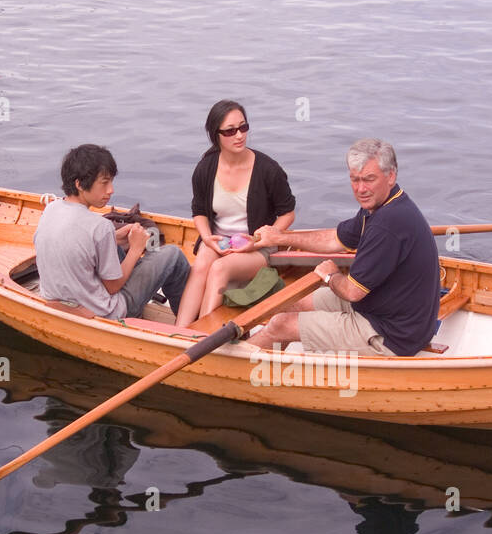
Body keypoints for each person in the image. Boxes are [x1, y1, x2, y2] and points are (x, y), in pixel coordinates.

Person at [246, 138, 440, 357]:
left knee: (280, 324)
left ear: (391, 176)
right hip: (379, 308)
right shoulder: (379, 206)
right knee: (291, 304)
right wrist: (279, 236)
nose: (361, 189)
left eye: (369, 179)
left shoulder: (387, 225)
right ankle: (269, 365)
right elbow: (334, 240)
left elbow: (351, 291)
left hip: (392, 334)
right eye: (354, 180)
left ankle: (230, 368)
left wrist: (330, 276)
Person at [174, 100, 296, 327]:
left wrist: (260, 239)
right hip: (219, 241)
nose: (239, 135)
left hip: (257, 247)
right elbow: (199, 211)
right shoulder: (206, 168)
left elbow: (288, 213)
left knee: (219, 268)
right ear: (216, 135)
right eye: (230, 131)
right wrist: (207, 238)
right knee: (201, 265)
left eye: (243, 127)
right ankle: (179, 331)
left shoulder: (269, 170)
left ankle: (204, 334)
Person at [34, 144, 190, 320]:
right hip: (104, 312)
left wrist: (114, 238)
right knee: (173, 255)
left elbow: (80, 244)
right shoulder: (100, 227)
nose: (111, 190)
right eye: (104, 183)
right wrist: (136, 249)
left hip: (58, 301)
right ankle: (187, 323)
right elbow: (112, 287)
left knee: (116, 249)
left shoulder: (51, 208)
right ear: (79, 184)